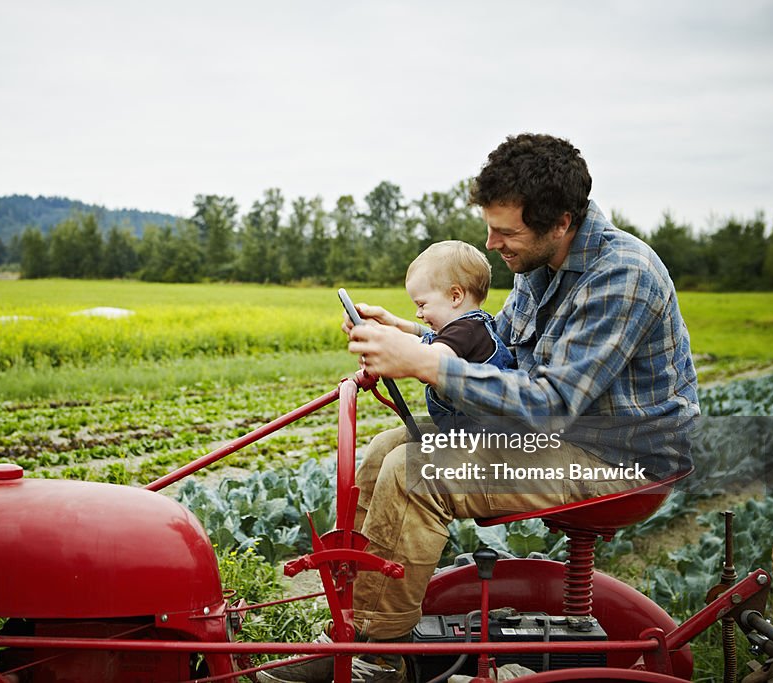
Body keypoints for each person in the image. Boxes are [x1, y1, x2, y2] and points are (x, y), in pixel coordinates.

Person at [259, 133, 699, 683]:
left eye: (505, 231)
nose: (491, 244)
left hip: (617, 455)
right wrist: (416, 337)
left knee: (414, 474)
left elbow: (552, 402)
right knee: (382, 452)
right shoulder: (539, 264)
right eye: (490, 226)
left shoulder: (621, 276)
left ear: (561, 221)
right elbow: (499, 347)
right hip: (566, 435)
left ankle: (375, 658)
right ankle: (366, 625)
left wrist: (426, 366)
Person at [362, 239, 516, 433]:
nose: (418, 313)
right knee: (383, 443)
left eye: (422, 304)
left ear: (455, 296)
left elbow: (429, 357)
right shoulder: (468, 328)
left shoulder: (466, 331)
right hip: (462, 431)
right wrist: (393, 326)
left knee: (400, 460)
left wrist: (388, 343)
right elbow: (429, 341)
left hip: (484, 440)